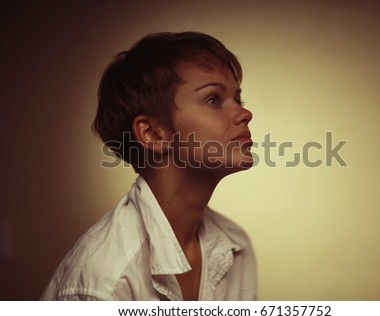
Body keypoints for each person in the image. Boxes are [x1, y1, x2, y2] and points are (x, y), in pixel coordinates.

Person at [41, 32, 257, 301]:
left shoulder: (236, 247)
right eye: (213, 99)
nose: (244, 113)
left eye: (239, 99)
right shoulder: (102, 283)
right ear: (153, 134)